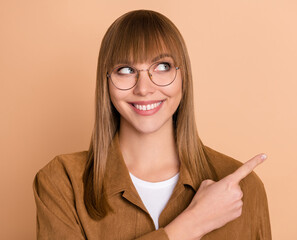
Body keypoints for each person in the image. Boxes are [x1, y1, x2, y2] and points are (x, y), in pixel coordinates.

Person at [33, 9, 271, 240]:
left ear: (183, 77)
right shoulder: (63, 181)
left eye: (162, 67)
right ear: (105, 82)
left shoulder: (241, 188)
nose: (144, 88)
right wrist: (192, 224)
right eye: (125, 70)